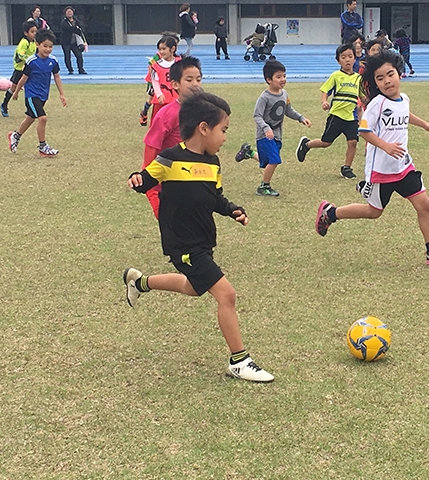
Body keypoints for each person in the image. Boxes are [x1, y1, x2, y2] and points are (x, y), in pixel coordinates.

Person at [124, 91, 275, 383]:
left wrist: (232, 209)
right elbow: (147, 178)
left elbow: (214, 197)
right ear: (203, 128)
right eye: (223, 130)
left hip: (204, 241)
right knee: (226, 295)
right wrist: (137, 179)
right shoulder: (169, 159)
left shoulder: (213, 163)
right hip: (182, 242)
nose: (225, 137)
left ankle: (139, 281)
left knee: (194, 288)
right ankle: (239, 361)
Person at [315, 50, 429, 266]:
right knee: (374, 212)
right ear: (375, 83)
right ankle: (331, 213)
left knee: (424, 205)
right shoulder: (377, 104)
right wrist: (386, 146)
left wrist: (426, 125)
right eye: (380, 78)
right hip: (381, 170)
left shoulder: (404, 98)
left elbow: (405, 114)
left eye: (390, 74)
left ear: (399, 73)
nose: (386, 81)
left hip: (403, 165)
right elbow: (363, 130)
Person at [142, 55, 203, 218]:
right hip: (168, 186)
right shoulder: (166, 114)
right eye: (189, 80)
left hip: (193, 183)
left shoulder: (203, 111)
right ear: (175, 84)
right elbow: (151, 149)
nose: (195, 84)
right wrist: (150, 186)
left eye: (198, 79)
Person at [295, 43, 361, 180]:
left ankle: (347, 167)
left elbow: (363, 96)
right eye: (343, 57)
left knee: (353, 142)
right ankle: (306, 144)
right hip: (336, 115)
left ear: (355, 58)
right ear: (338, 60)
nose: (347, 60)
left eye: (350, 56)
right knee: (326, 142)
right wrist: (324, 101)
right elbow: (325, 90)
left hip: (351, 117)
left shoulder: (358, 78)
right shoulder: (336, 75)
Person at [250, 60, 311, 197]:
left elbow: (288, 110)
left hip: (277, 134)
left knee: (267, 161)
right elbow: (257, 115)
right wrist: (266, 128)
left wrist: (301, 118)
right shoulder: (264, 97)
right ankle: (264, 186)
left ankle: (249, 153)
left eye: (284, 75)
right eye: (278, 77)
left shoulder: (284, 94)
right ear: (268, 79)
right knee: (275, 160)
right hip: (265, 136)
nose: (283, 79)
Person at [8, 28, 67, 156]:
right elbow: (23, 78)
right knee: (43, 118)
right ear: (37, 45)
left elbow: (56, 76)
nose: (48, 49)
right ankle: (43, 147)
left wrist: (62, 94)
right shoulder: (31, 61)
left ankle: (15, 136)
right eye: (45, 46)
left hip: (43, 95)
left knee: (31, 118)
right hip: (31, 95)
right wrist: (17, 91)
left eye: (50, 46)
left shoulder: (53, 61)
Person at [0, 21, 38, 117]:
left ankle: (30, 108)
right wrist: (29, 60)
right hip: (20, 69)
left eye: (35, 32)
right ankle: (4, 105)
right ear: (26, 33)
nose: (34, 34)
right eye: (32, 32)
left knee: (30, 87)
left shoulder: (34, 42)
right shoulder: (24, 42)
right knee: (13, 87)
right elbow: (21, 55)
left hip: (29, 69)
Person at [146, 35, 180, 125]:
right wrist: (159, 94)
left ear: (172, 49)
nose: (161, 52)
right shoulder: (156, 65)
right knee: (157, 123)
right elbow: (155, 81)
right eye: (160, 49)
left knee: (177, 124)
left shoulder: (180, 63)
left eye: (164, 49)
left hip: (177, 99)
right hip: (161, 101)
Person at [60, 6, 87, 75]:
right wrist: (75, 28)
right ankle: (70, 69)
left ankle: (81, 69)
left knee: (79, 55)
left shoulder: (76, 21)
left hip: (75, 42)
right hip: (66, 42)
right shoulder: (64, 21)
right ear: (65, 13)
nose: (69, 13)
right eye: (68, 11)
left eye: (70, 11)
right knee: (67, 56)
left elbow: (81, 28)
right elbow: (68, 28)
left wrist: (76, 29)